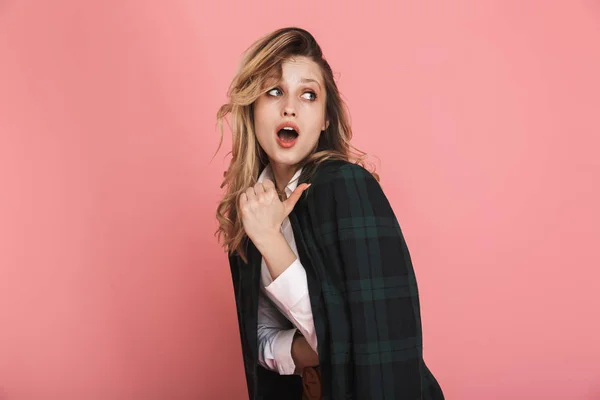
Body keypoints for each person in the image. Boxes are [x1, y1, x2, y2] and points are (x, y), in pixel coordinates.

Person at [215, 27, 444, 400]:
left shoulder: (347, 188)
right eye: (274, 91)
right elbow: (257, 341)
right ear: (252, 108)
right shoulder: (252, 207)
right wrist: (307, 351)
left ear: (324, 120)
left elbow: (369, 338)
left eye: (308, 95)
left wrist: (273, 241)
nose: (290, 106)